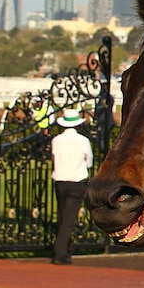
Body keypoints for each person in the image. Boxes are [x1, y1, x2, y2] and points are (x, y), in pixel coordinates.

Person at [50, 108, 93, 265]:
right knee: (69, 219)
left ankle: (66, 250)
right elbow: (89, 161)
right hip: (77, 179)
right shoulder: (83, 141)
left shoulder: (56, 140)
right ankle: (60, 253)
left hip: (60, 179)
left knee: (63, 215)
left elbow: (53, 158)